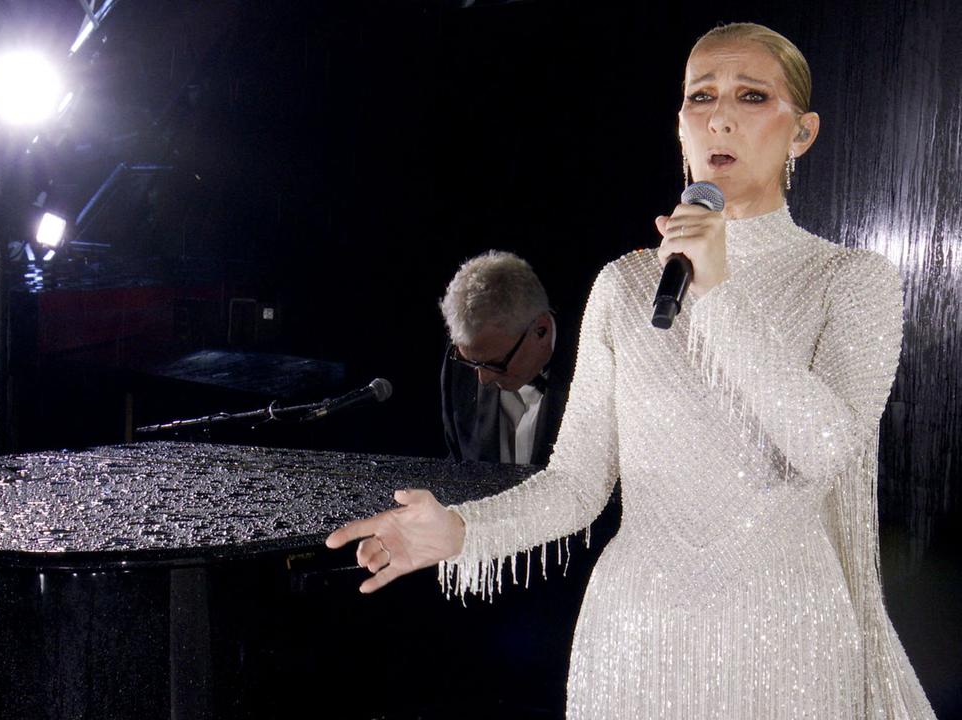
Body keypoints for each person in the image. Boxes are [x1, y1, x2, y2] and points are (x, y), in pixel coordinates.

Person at [326, 22, 937, 719]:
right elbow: (578, 484)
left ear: (800, 133)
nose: (719, 115)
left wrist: (717, 293)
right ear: (679, 125)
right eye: (699, 96)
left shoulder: (850, 280)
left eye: (751, 95)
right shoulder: (623, 284)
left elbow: (825, 447)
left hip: (786, 640)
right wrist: (461, 532)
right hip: (634, 637)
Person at [439, 251, 569, 467]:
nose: (483, 379)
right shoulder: (464, 360)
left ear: (541, 331)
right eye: (471, 362)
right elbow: (460, 468)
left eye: (495, 363)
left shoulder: (596, 369)